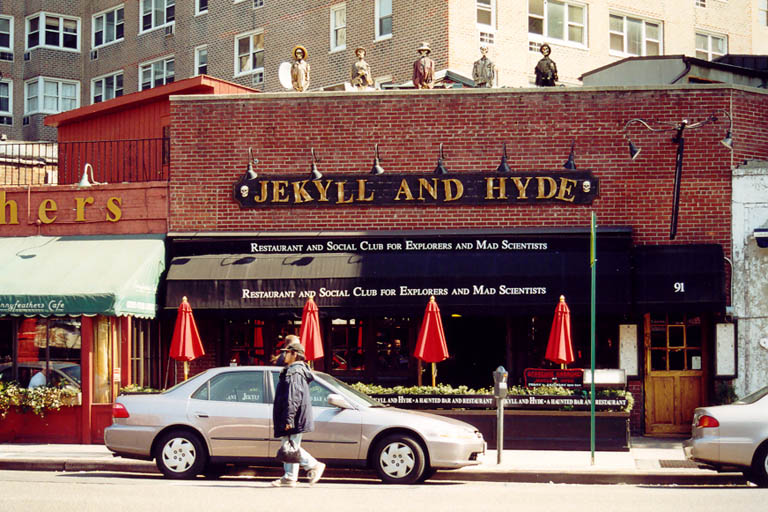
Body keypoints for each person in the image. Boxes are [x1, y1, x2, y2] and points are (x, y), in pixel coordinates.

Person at [271, 335, 325, 487]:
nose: (284, 355)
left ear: (294, 354)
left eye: (286, 352)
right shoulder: (296, 370)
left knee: (290, 446)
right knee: (290, 445)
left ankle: (313, 465)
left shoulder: (295, 372)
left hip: (293, 416)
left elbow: (293, 397)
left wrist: (289, 418)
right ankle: (289, 477)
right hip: (294, 415)